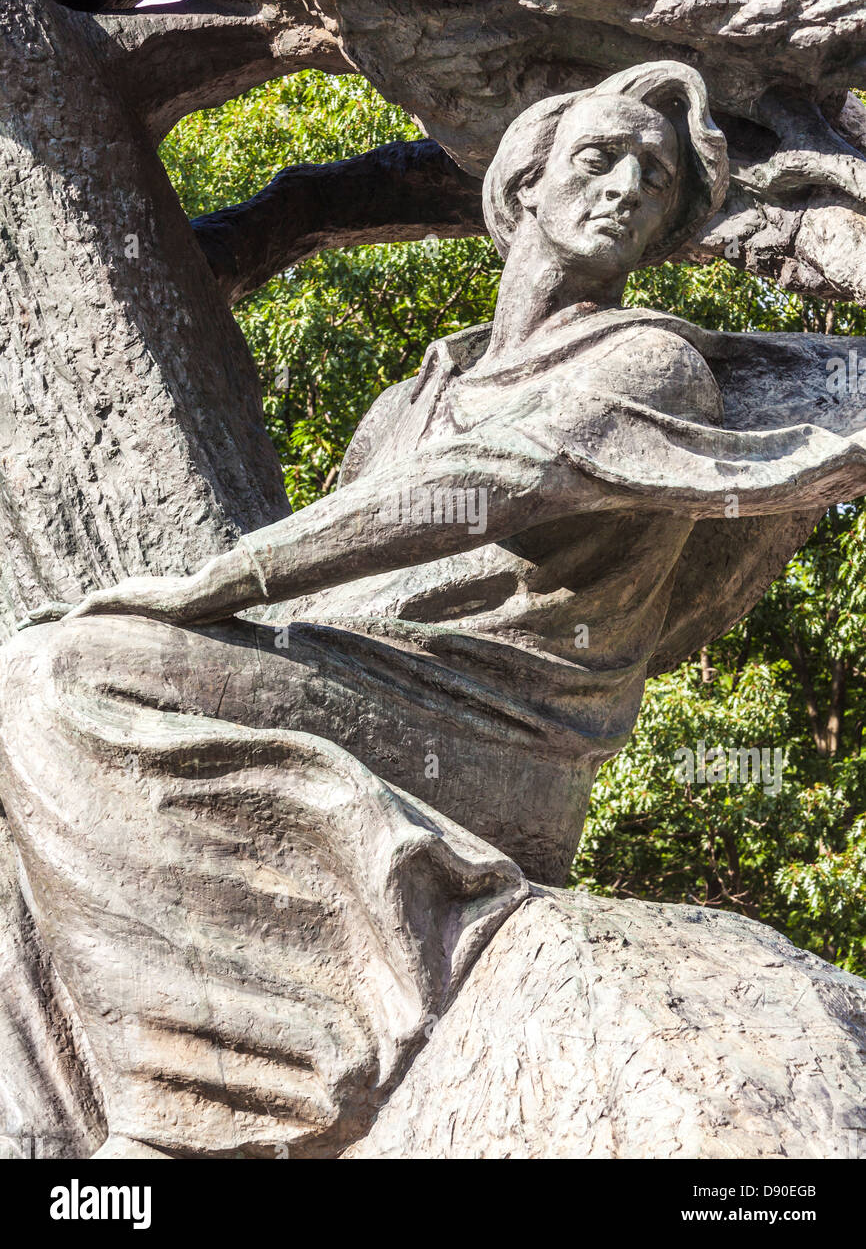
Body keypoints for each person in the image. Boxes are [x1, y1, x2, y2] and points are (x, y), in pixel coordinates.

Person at [3, 61, 866, 1156]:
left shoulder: (646, 364)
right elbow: (364, 573)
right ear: (523, 184)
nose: (622, 190)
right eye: (597, 160)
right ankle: (41, 1140)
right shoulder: (409, 399)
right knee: (22, 758)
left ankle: (220, 1107)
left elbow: (470, 491)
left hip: (494, 739)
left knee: (64, 675)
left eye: (652, 182)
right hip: (372, 681)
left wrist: (221, 580)